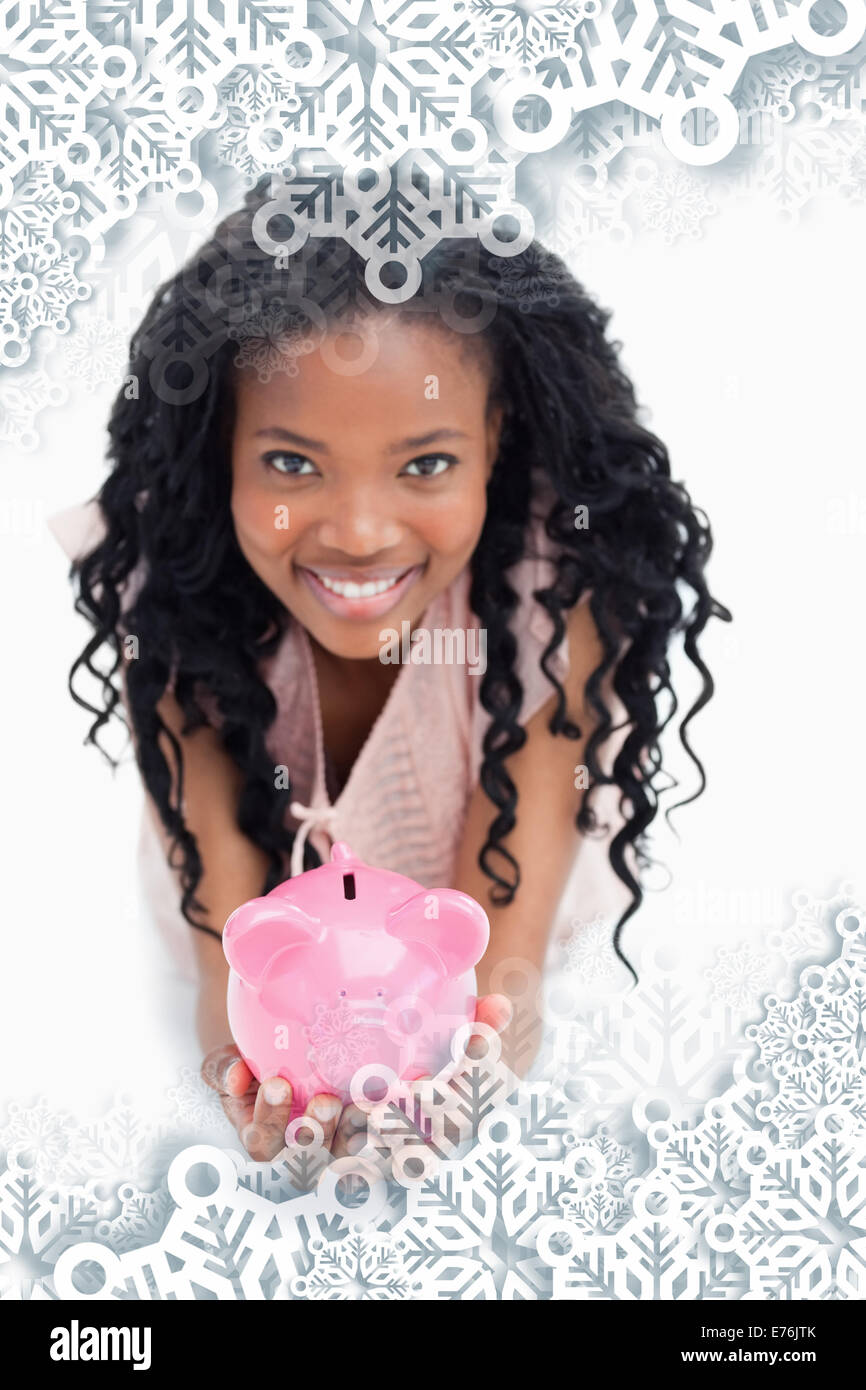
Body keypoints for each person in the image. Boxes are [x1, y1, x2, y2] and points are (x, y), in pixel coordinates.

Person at [56, 180, 730, 1167]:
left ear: (494, 441)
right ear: (223, 451)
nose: (361, 534)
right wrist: (256, 1077)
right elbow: (226, 950)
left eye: (423, 465)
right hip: (271, 950)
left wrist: (463, 1068)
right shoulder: (175, 600)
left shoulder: (558, 596)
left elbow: (505, 961)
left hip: (470, 920)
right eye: (290, 463)